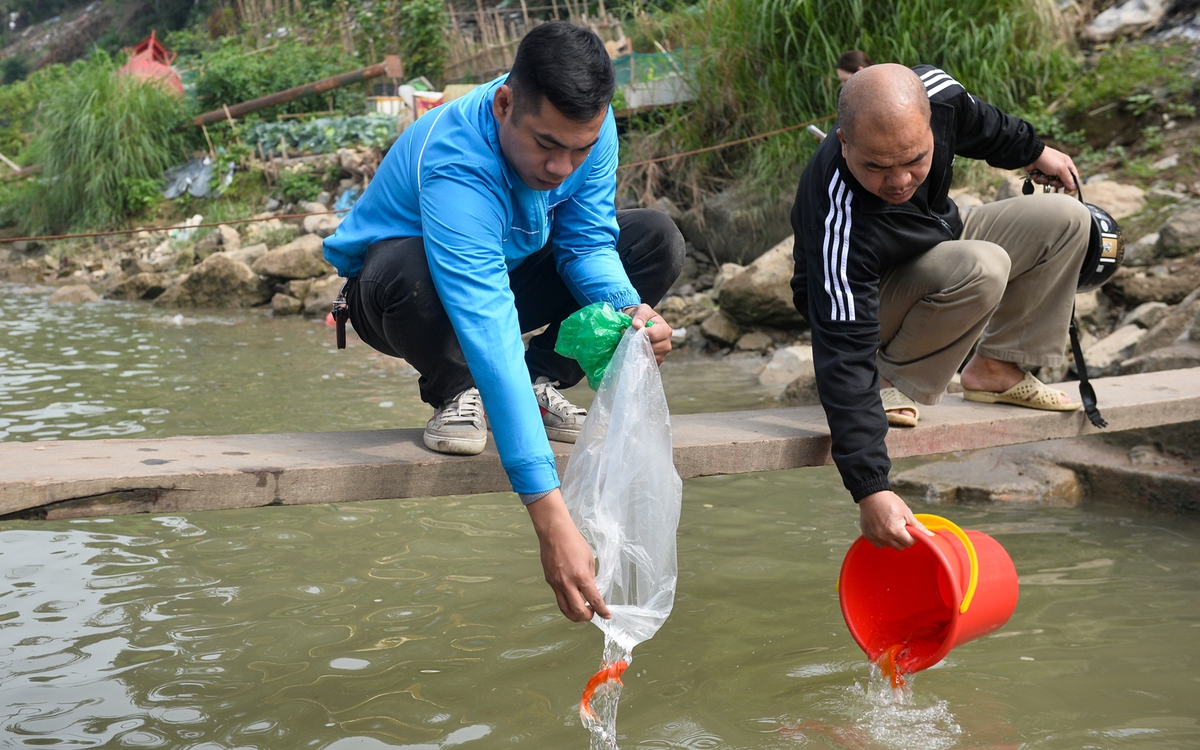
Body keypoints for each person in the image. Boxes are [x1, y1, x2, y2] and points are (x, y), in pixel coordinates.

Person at [323, 22, 685, 622]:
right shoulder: (456, 158)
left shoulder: (591, 130)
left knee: (654, 242)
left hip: (507, 272)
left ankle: (541, 382)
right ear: (504, 105)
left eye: (579, 148)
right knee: (405, 270)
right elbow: (488, 326)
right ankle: (454, 390)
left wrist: (629, 314)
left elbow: (586, 243)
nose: (561, 166)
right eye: (546, 144)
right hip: (403, 291)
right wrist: (550, 517)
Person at [790, 63, 1090, 549]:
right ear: (843, 142)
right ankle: (891, 377)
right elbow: (842, 352)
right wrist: (871, 488)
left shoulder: (939, 95)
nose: (899, 181)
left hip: (934, 237)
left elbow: (984, 125)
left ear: (931, 123)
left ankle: (998, 369)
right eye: (876, 167)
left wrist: (1036, 151)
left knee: (1067, 219)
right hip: (871, 297)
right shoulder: (835, 214)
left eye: (914, 160)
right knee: (984, 264)